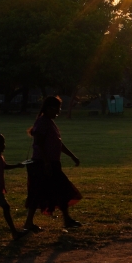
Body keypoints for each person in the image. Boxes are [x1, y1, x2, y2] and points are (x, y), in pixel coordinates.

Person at [23, 96, 82, 232]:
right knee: (37, 193)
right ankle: (28, 223)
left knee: (62, 190)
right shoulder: (43, 122)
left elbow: (58, 144)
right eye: (57, 109)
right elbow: (39, 143)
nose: (58, 112)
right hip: (42, 164)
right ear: (49, 109)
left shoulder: (49, 122)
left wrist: (73, 156)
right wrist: (46, 162)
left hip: (52, 163)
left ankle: (67, 219)